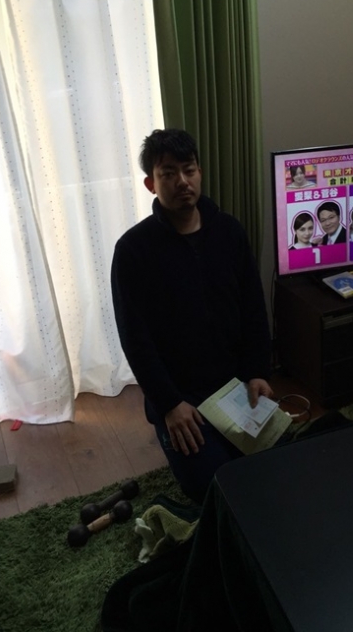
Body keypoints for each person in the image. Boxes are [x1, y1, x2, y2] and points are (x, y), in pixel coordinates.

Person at [110, 129, 273, 504]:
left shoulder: (229, 232)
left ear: (200, 172)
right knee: (216, 490)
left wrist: (258, 373)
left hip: (235, 386)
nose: (182, 181)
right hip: (182, 399)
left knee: (271, 470)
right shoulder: (133, 250)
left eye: (189, 169)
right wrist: (169, 405)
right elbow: (135, 339)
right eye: (168, 173)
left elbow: (253, 309)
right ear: (151, 184)